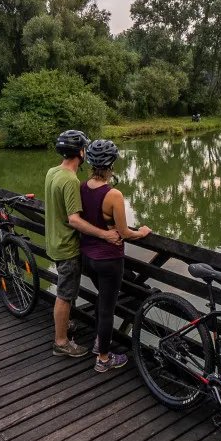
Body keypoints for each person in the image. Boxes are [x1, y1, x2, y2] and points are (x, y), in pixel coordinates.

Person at [45, 130, 122, 357]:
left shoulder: (53, 172)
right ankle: (61, 342)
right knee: (65, 295)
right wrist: (105, 234)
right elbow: (74, 219)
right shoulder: (70, 180)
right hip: (67, 247)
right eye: (84, 148)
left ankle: (64, 324)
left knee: (64, 291)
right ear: (80, 152)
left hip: (53, 241)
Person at [80, 139, 151, 371]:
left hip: (87, 258)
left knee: (102, 299)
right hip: (109, 260)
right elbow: (124, 233)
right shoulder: (114, 195)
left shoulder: (81, 187)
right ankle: (103, 358)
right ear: (112, 163)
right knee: (107, 308)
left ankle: (98, 343)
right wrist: (141, 232)